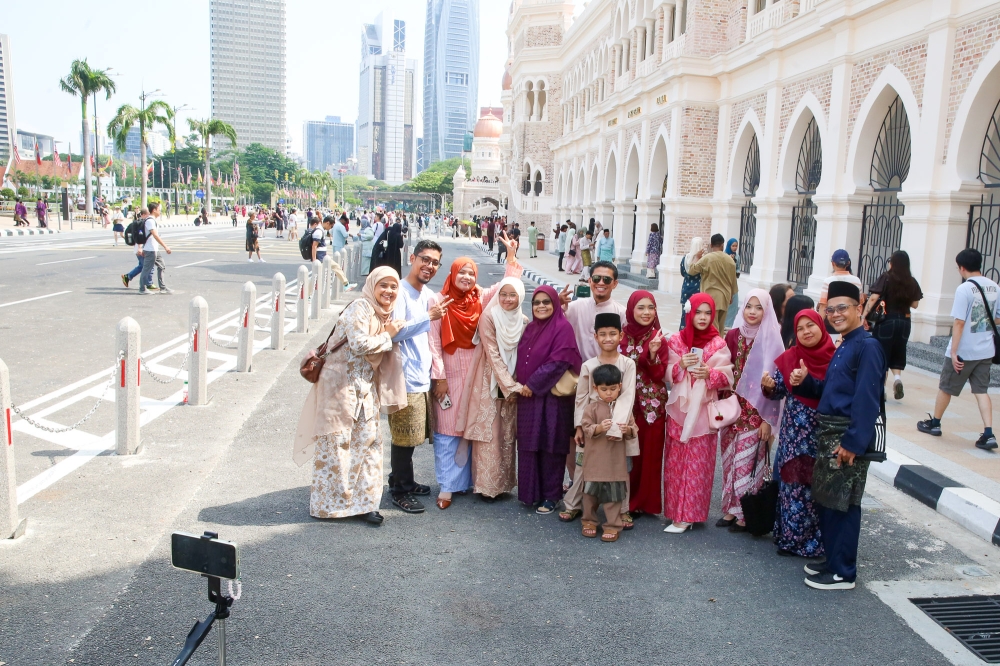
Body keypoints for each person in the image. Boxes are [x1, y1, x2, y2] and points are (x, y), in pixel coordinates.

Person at [293, 267, 408, 526]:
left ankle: (365, 504)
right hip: (339, 384)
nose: (388, 291)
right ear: (372, 286)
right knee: (337, 444)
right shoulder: (361, 307)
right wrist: (388, 334)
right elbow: (358, 344)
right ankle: (331, 506)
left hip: (365, 385)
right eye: (383, 286)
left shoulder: (383, 313)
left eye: (393, 287)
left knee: (368, 444)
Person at [789, 280, 884, 590]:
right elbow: (830, 391)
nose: (836, 314)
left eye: (843, 308)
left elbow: (867, 400)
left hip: (845, 437)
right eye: (830, 309)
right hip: (829, 433)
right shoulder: (846, 344)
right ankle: (832, 560)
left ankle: (844, 572)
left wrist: (853, 442)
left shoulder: (867, 346)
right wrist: (805, 382)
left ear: (859, 308)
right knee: (830, 501)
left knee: (844, 504)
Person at [428, 238, 522, 510]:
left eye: (471, 273)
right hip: (449, 371)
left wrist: (511, 256)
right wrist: (440, 377)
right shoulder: (439, 300)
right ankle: (448, 485)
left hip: (478, 372)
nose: (467, 277)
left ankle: (467, 480)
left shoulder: (480, 297)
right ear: (452, 273)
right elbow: (434, 342)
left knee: (472, 426)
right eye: (462, 272)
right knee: (447, 428)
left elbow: (507, 287)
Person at [557, 261, 629, 523]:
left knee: (611, 446)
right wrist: (559, 307)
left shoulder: (621, 312)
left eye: (606, 280)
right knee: (576, 440)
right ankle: (577, 492)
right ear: (589, 280)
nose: (600, 283)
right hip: (580, 382)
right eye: (596, 278)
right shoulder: (575, 308)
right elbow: (556, 325)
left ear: (615, 284)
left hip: (612, 386)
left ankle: (616, 505)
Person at [762, 309, 835, 558]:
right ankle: (791, 540)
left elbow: (838, 392)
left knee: (817, 490)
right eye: (800, 328)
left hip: (822, 436)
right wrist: (769, 387)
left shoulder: (835, 358)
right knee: (792, 488)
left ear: (820, 326)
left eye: (810, 326)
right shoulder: (791, 357)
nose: (805, 332)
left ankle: (815, 542)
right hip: (794, 438)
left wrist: (807, 380)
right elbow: (778, 389)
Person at [387, 240, 449, 515]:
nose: (429, 266)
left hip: (421, 376)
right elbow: (394, 332)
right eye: (425, 259)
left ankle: (406, 481)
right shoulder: (398, 291)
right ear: (412, 258)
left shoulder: (426, 294)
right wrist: (428, 316)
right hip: (403, 376)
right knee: (403, 437)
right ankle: (398, 490)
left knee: (414, 435)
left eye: (435, 262)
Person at [664, 294, 734, 533]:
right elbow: (667, 373)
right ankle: (675, 511)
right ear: (689, 313)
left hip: (703, 411)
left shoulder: (718, 344)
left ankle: (689, 514)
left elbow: (728, 376)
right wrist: (681, 365)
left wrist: (710, 374)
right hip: (679, 411)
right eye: (698, 312)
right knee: (675, 462)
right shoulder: (676, 340)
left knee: (698, 463)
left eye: (707, 313)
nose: (702, 318)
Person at [918, 248, 999, 450]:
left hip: (964, 350)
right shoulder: (994, 287)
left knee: (946, 387)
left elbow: (959, 322)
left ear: (962, 267)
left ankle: (935, 423)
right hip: (986, 350)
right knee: (981, 391)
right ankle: (988, 433)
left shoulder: (964, 289)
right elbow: (997, 317)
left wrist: (953, 352)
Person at [455, 277, 527, 502]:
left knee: (506, 432)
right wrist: (510, 385)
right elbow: (493, 353)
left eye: (512, 295)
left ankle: (503, 484)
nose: (507, 299)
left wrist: (517, 383)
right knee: (489, 432)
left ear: (520, 297)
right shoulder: (489, 316)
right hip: (490, 381)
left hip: (513, 382)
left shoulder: (523, 321)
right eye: (503, 294)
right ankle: (485, 485)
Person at [718, 290, 784, 531]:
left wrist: (768, 420)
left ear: (766, 312)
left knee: (746, 463)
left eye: (758, 308)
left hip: (755, 413)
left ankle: (744, 513)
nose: (753, 312)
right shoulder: (733, 335)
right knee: (728, 461)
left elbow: (776, 384)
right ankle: (730, 509)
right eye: (749, 306)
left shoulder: (771, 339)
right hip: (730, 410)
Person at [516, 285, 582, 513]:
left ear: (555, 305)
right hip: (527, 399)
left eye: (546, 302)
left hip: (551, 398)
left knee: (551, 445)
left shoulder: (562, 328)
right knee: (529, 444)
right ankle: (530, 492)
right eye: (537, 302)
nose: (541, 306)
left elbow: (559, 361)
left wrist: (532, 385)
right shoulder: (530, 328)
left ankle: (550, 496)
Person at [567, 312, 638, 523]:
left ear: (621, 336)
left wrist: (617, 428)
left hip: (622, 421)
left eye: (613, 334)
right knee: (583, 465)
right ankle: (574, 504)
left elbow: (627, 396)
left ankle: (622, 509)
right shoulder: (588, 365)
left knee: (621, 468)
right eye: (603, 334)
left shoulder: (628, 364)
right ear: (595, 336)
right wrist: (579, 427)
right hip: (593, 423)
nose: (608, 338)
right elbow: (581, 398)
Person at [620, 291, 669, 517]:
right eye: (641, 307)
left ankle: (644, 502)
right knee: (626, 455)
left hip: (651, 407)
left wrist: (652, 353)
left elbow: (660, 374)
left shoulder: (659, 337)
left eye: (651, 307)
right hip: (624, 405)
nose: (646, 312)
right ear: (631, 309)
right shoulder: (621, 335)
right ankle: (623, 500)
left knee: (649, 455)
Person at [580, 363, 638, 543]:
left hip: (615, 462)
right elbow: (586, 427)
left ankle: (613, 525)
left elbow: (634, 430)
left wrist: (627, 430)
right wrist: (598, 428)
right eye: (604, 389)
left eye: (613, 389)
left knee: (614, 495)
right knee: (590, 494)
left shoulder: (624, 408)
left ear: (620, 387)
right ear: (596, 388)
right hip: (595, 461)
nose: (609, 393)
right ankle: (589, 521)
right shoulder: (592, 408)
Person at [863, 250, 923, 400]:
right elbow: (915, 304)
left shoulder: (887, 278)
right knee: (898, 350)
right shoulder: (912, 281)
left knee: (882, 353)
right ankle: (897, 380)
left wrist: (862, 316)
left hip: (887, 321)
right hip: (905, 321)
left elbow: (872, 299)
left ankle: (881, 389)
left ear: (893, 263)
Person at [687, 234, 739, 333]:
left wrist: (696, 257)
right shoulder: (730, 260)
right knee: (720, 327)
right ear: (723, 245)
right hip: (725, 297)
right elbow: (733, 280)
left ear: (711, 245)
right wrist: (731, 295)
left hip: (710, 297)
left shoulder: (707, 258)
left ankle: (713, 348)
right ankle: (720, 347)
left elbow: (691, 270)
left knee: (712, 328)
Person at [818, 250, 863, 323]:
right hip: (850, 321)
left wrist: (819, 324)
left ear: (833, 263)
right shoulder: (857, 281)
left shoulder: (828, 281)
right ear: (848, 263)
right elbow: (859, 303)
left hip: (833, 320)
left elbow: (823, 306)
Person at [139, 202, 172, 295]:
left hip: (154, 249)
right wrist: (165, 246)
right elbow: (155, 235)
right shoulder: (150, 221)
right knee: (147, 269)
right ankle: (142, 288)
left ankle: (163, 287)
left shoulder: (153, 220)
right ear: (154, 210)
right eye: (159, 210)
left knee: (162, 266)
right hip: (150, 250)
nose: (160, 211)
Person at [679, 237, 705, 330]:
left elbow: (682, 272)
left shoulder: (685, 258)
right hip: (698, 289)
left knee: (685, 313)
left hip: (686, 288)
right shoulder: (704, 259)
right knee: (697, 313)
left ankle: (683, 334)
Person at [724, 238, 740, 329]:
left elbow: (737, 268)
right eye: (733, 246)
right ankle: (724, 323)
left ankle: (731, 324)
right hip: (725, 282)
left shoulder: (737, 256)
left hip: (733, 281)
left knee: (734, 303)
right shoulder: (724, 255)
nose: (734, 248)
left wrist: (737, 272)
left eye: (736, 246)